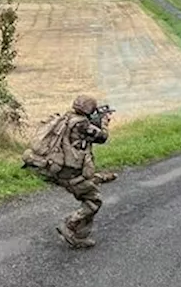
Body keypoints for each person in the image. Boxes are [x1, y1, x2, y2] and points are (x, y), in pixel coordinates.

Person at [22, 95, 118, 249]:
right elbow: (102, 137)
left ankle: (80, 235)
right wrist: (104, 122)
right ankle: (70, 225)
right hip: (69, 172)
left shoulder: (66, 118)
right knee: (93, 201)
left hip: (53, 167)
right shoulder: (81, 124)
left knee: (88, 188)